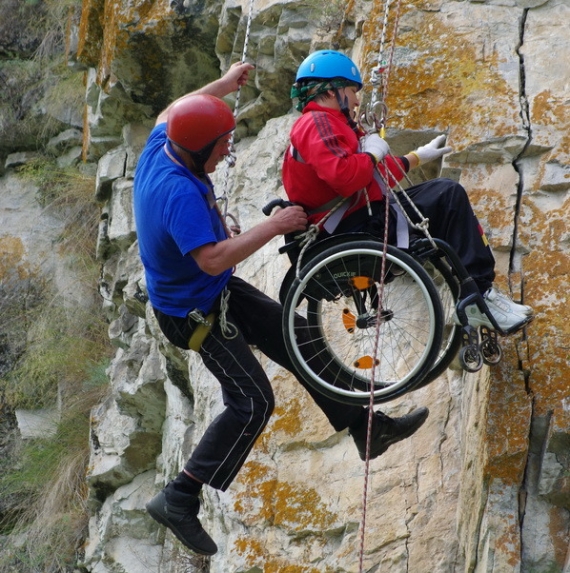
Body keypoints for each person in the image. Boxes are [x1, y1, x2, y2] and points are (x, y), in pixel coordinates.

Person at [133, 62, 429, 556]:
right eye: (223, 142)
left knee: (300, 343)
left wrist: (223, 87)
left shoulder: (164, 146)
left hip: (214, 294)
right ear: (199, 146)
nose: (230, 148)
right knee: (252, 402)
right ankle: (179, 496)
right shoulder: (178, 193)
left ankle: (367, 430)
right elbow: (210, 260)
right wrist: (274, 226)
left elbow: (171, 110)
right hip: (194, 314)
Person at [282, 49, 534, 332]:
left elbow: (372, 177)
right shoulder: (317, 123)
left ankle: (475, 298)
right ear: (331, 91)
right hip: (353, 228)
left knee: (446, 201)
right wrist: (371, 156)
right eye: (352, 91)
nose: (356, 100)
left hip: (356, 222)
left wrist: (417, 157)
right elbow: (345, 177)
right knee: (448, 196)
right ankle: (481, 297)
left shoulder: (329, 126)